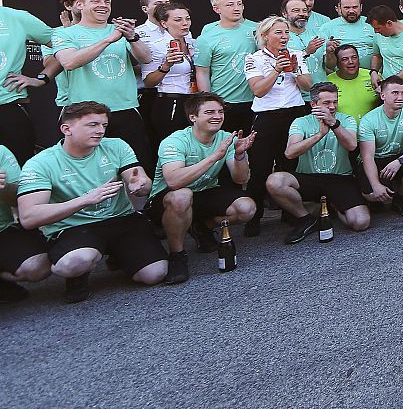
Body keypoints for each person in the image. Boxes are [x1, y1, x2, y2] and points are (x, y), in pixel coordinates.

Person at [17, 101, 168, 303]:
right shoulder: (41, 163)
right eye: (92, 125)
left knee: (155, 274)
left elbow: (141, 181)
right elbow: (28, 217)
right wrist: (85, 200)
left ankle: (121, 255)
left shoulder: (116, 145)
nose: (100, 131)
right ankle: (78, 276)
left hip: (121, 219)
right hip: (74, 227)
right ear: (66, 129)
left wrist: (140, 184)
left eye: (104, 125)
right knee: (73, 263)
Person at [146, 92, 256, 284]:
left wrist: (239, 155)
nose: (217, 116)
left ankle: (201, 227)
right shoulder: (175, 141)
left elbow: (241, 178)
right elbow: (174, 182)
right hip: (167, 199)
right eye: (209, 112)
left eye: (220, 111)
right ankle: (177, 255)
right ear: (193, 117)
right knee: (182, 196)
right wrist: (215, 156)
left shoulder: (226, 137)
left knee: (247, 208)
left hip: (204, 191)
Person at [52, 0, 153, 171]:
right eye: (96, 1)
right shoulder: (64, 33)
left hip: (125, 108)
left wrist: (132, 37)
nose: (103, 5)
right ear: (79, 5)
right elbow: (69, 62)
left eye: (107, 2)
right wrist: (108, 40)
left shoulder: (120, 30)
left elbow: (146, 58)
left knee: (135, 167)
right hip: (84, 111)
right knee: (87, 166)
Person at [267, 82, 369, 244]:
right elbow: (290, 153)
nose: (332, 107)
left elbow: (351, 145)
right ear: (313, 104)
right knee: (275, 181)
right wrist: (319, 135)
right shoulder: (301, 122)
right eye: (326, 103)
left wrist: (334, 124)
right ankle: (306, 219)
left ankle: (332, 207)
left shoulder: (345, 119)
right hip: (309, 177)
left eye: (335, 102)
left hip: (339, 178)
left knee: (361, 222)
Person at [243, 16, 311, 236]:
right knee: (260, 167)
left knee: (290, 163)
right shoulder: (253, 58)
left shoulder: (296, 54)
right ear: (265, 36)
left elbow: (308, 86)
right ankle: (254, 216)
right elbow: (258, 90)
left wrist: (295, 70)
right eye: (278, 32)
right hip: (267, 115)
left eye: (286, 32)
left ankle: (291, 212)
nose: (284, 37)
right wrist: (277, 70)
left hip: (295, 112)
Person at [357, 76, 403, 217]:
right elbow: (367, 157)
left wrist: (399, 162)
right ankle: (378, 195)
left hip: (399, 157)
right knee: (371, 194)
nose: (400, 97)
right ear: (383, 96)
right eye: (395, 93)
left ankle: (400, 198)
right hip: (376, 159)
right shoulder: (368, 120)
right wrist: (376, 185)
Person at [194, 0, 258, 135]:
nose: (236, 8)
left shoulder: (256, 31)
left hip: (256, 101)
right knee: (224, 144)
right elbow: (202, 72)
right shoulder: (207, 37)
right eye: (230, 5)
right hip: (224, 102)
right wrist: (208, 103)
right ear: (217, 9)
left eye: (239, 4)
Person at [0, 5, 54, 165]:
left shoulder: (16, 17)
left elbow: (64, 46)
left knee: (19, 168)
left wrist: (40, 78)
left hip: (10, 105)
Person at [0, 145, 50, 303]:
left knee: (38, 266)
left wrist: (3, 188)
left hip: (3, 229)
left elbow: (20, 198)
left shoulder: (1, 151)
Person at [141, 2, 197, 143]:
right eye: (178, 20)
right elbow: (148, 82)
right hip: (171, 100)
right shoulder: (157, 46)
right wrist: (166, 66)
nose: (185, 23)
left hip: (194, 101)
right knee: (172, 145)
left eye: (187, 18)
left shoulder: (193, 42)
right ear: (164, 23)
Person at [134, 0, 171, 157]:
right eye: (158, 3)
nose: (164, 6)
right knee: (152, 140)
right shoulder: (137, 33)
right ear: (145, 9)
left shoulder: (179, 28)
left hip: (176, 91)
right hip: (150, 93)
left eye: (167, 3)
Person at [41, 0, 82, 109]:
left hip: (110, 100)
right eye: (80, 3)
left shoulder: (109, 31)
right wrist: (67, 33)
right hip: (70, 101)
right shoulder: (54, 34)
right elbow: (49, 63)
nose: (86, 6)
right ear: (68, 6)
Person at [282, 0, 327, 103]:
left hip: (321, 96)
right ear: (284, 14)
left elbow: (329, 66)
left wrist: (330, 53)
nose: (302, 14)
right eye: (296, 10)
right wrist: (306, 52)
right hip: (293, 99)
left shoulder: (319, 34)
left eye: (304, 10)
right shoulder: (281, 37)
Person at [319, 0, 375, 70]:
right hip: (341, 76)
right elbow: (328, 66)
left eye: (355, 7)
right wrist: (329, 53)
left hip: (371, 75)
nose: (351, 11)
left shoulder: (372, 24)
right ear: (339, 8)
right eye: (347, 8)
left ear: (361, 7)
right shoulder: (327, 27)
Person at [327, 44, 377, 124]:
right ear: (337, 63)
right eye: (345, 59)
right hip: (341, 130)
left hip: (372, 129)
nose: (351, 62)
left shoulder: (373, 77)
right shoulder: (328, 82)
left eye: (354, 57)